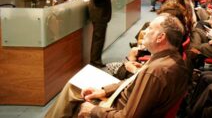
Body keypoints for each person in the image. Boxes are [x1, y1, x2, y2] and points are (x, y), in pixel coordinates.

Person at [45, 14, 190, 118]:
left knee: (73, 91)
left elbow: (128, 116)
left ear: (160, 37)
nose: (144, 31)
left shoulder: (155, 71)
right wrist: (104, 91)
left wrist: (93, 110)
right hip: (120, 99)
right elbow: (133, 81)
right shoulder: (172, 59)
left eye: (150, 28)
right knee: (75, 87)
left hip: (116, 107)